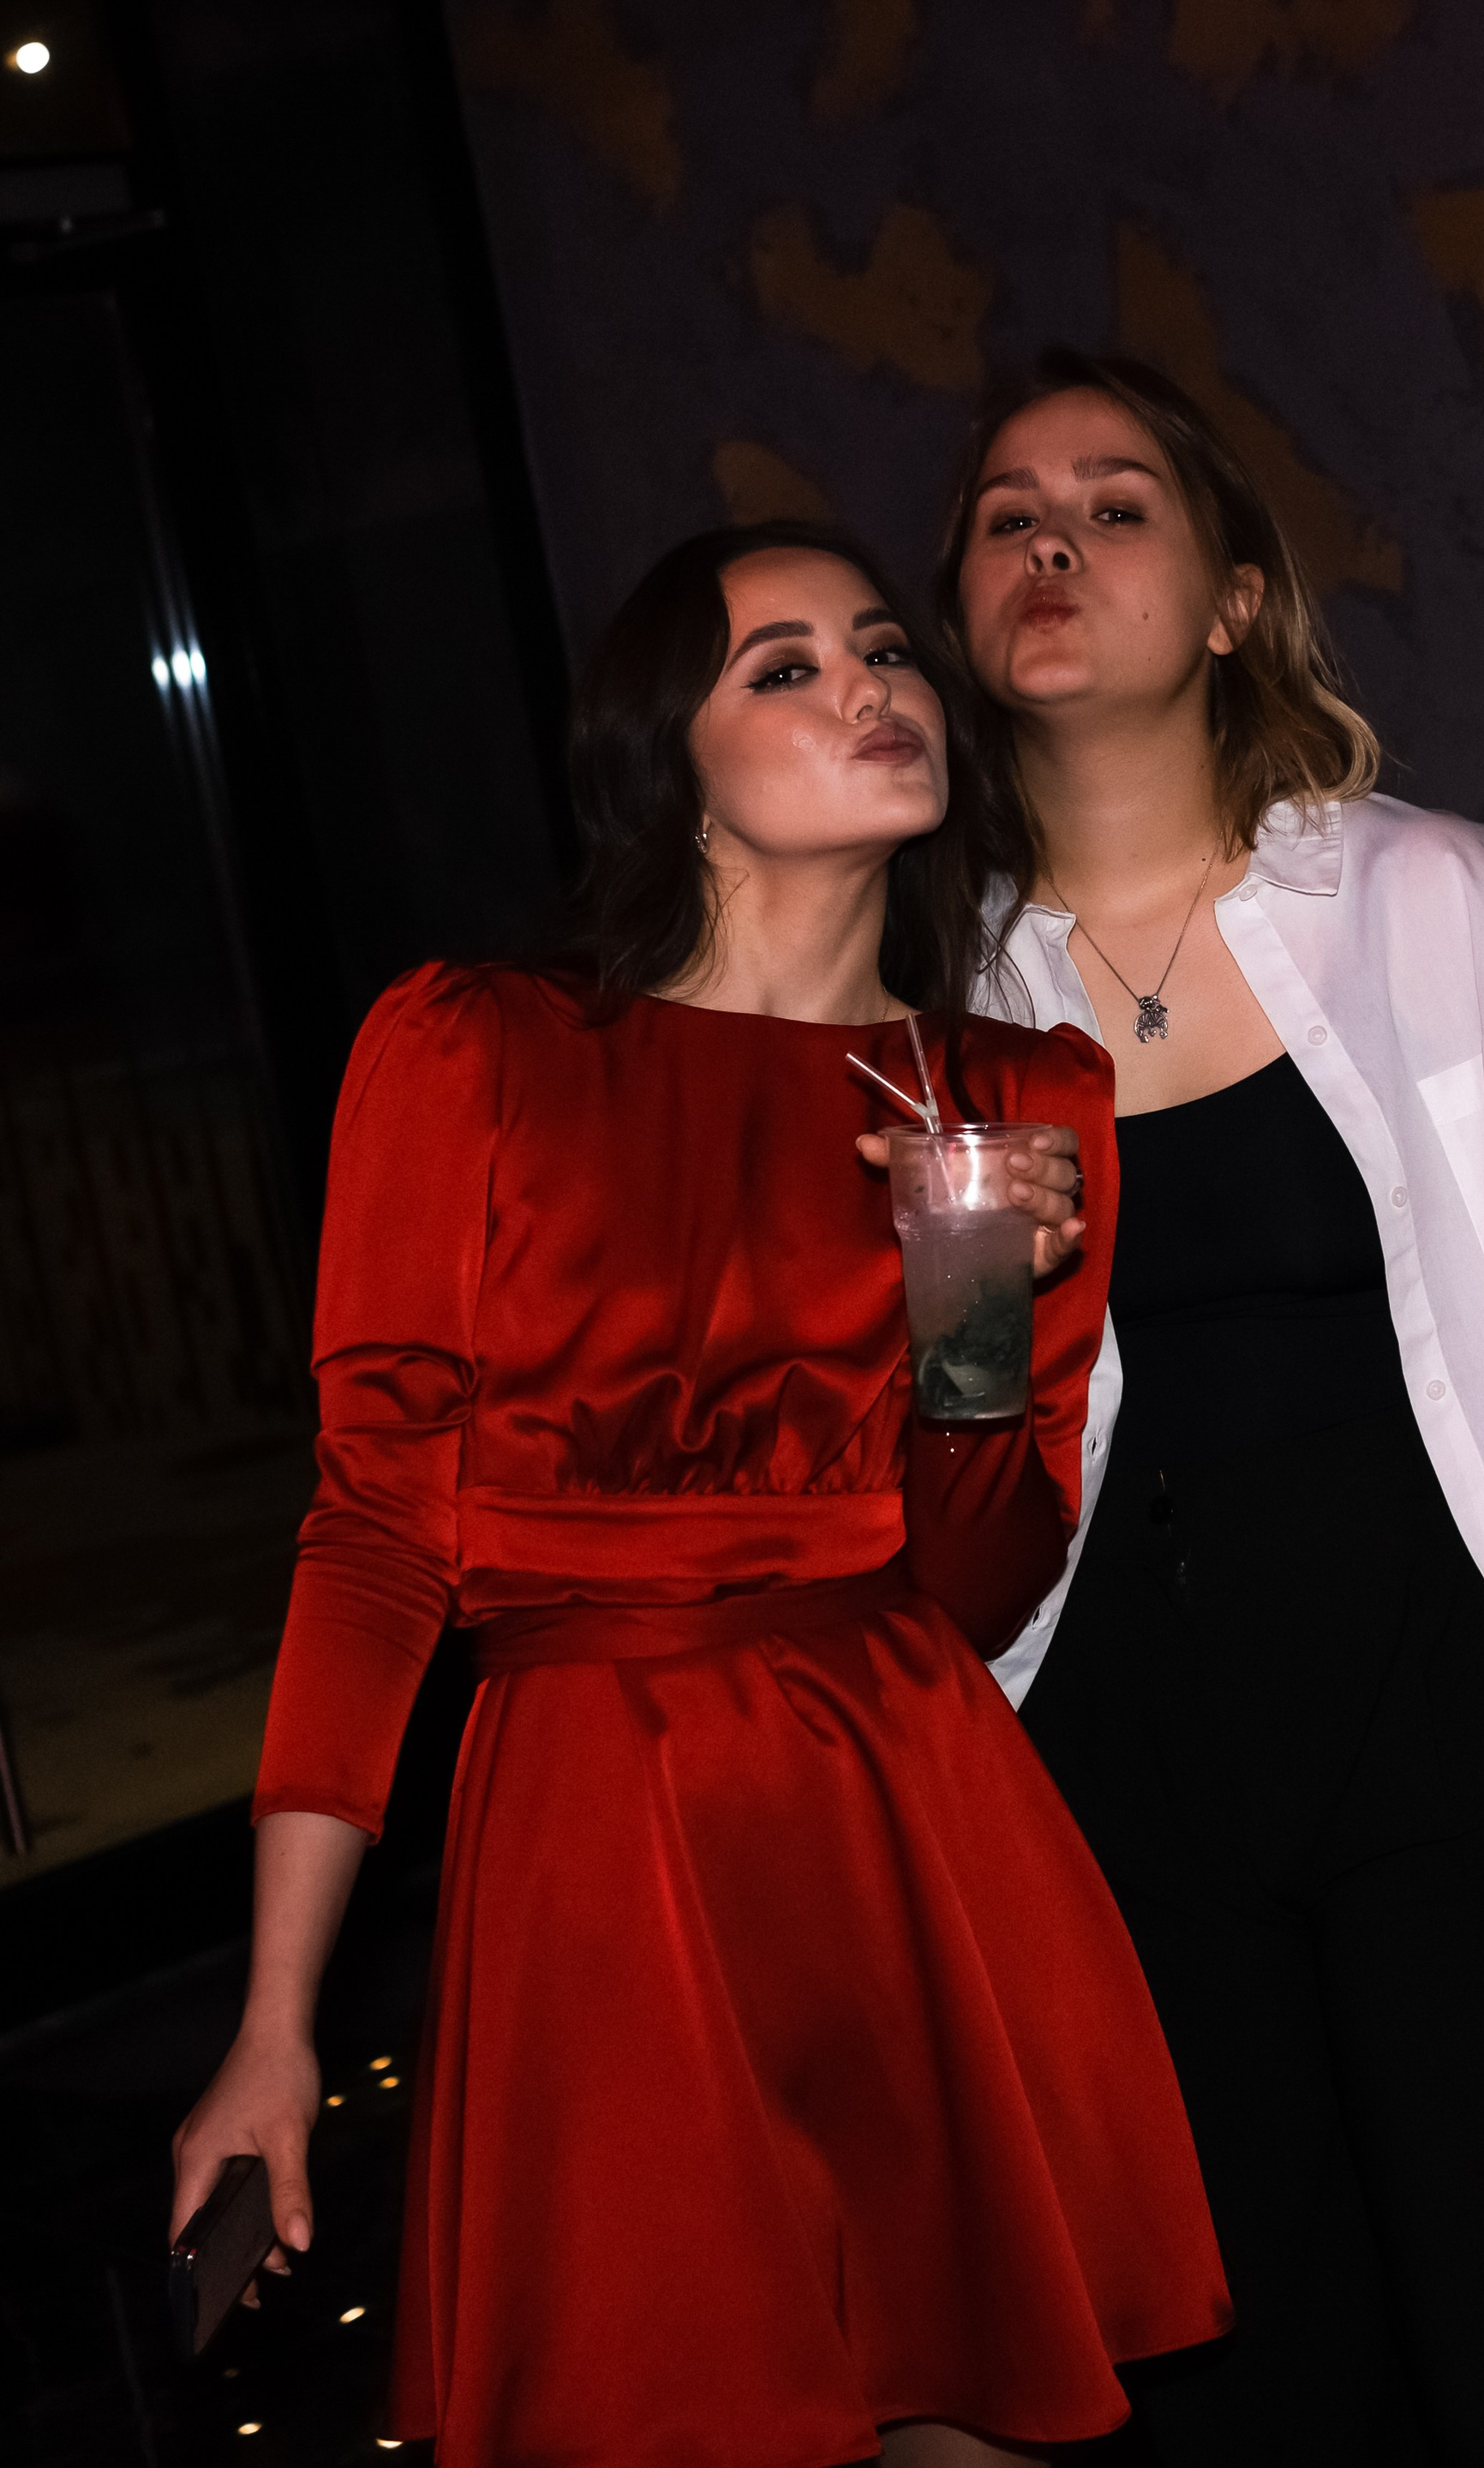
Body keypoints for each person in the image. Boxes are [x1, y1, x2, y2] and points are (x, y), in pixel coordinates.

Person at [170, 519, 1231, 2468]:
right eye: (788, 667)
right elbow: (378, 1542)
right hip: (597, 1821)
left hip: (905, 1802)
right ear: (670, 761)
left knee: (973, 2404)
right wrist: (275, 2017)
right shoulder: (478, 1049)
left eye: (888, 649)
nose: (875, 687)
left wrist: (970, 1300)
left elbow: (980, 1584)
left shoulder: (1014, 1097)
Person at [937, 347, 1484, 2467]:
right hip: (1130, 1780)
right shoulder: (944, 1011)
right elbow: (960, 1440)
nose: (1052, 541)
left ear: (1237, 599)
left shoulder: (1445, 902)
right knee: (1267, 2379)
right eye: (1004, 516)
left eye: (1115, 504)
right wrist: (973, 1291)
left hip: (1461, 1737)